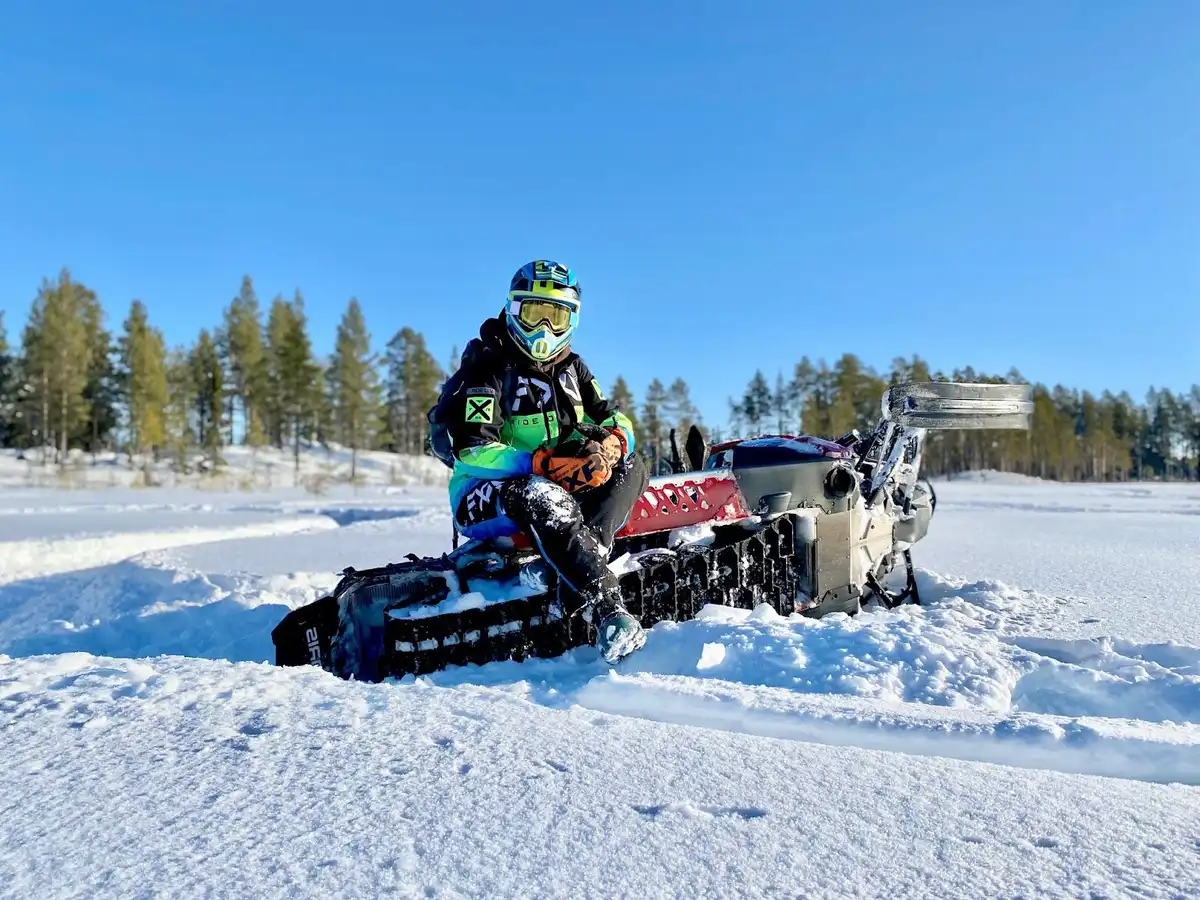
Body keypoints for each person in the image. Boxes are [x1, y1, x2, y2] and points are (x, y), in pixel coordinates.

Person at [441, 260, 649, 663]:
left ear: (572, 319)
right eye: (534, 312)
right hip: (484, 495)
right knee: (541, 495)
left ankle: (575, 563)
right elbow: (472, 450)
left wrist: (612, 443)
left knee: (633, 465)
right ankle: (608, 611)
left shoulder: (574, 369)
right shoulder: (486, 371)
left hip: (558, 485)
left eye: (556, 317)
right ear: (513, 309)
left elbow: (616, 418)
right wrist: (541, 464)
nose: (544, 329)